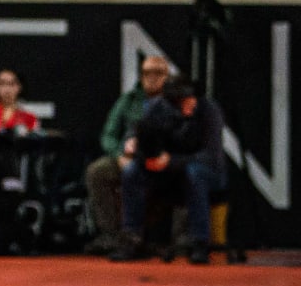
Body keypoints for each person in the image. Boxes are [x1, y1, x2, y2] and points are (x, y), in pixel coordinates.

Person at [112, 76, 226, 264]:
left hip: (207, 172)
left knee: (194, 173)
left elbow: (210, 157)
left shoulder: (209, 111)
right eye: (184, 100)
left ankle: (200, 242)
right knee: (132, 171)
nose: (191, 102)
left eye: (193, 98)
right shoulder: (157, 109)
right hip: (167, 172)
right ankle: (131, 238)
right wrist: (147, 160)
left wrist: (171, 161)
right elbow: (143, 141)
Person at [86, 54, 170, 250]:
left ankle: (173, 239)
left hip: (160, 160)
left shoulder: (174, 102)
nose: (152, 77)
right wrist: (118, 155)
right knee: (97, 171)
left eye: (158, 73)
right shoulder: (129, 100)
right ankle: (112, 235)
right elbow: (108, 135)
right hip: (128, 157)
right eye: (147, 73)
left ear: (167, 76)